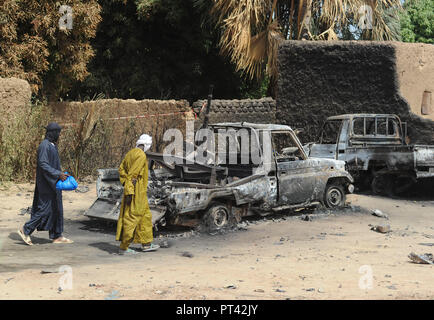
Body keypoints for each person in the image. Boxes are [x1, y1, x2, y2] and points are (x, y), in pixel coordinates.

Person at [18, 122, 73, 245]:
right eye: (57, 132)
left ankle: (57, 235)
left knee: (57, 208)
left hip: (55, 182)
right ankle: (25, 230)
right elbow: (43, 164)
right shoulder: (44, 146)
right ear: (52, 133)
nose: (59, 135)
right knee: (45, 209)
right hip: (46, 183)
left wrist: (60, 174)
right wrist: (57, 174)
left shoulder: (53, 145)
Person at [116, 134, 159, 255]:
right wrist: (129, 190)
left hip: (139, 192)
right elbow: (132, 175)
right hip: (136, 192)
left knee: (145, 217)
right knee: (132, 218)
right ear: (146, 145)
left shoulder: (130, 153)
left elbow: (121, 169)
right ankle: (123, 248)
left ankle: (146, 244)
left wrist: (125, 183)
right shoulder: (141, 155)